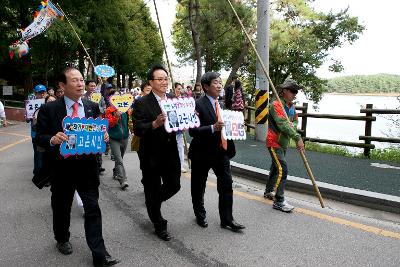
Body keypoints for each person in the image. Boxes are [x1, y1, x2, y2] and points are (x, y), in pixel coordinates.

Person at [35, 67, 120, 267]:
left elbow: (98, 131)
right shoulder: (49, 109)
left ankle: (100, 254)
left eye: (82, 80)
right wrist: (53, 139)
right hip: (61, 170)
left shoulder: (91, 107)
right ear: (62, 86)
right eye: (75, 80)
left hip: (87, 169)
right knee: (61, 207)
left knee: (93, 209)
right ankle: (62, 238)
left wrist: (104, 136)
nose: (81, 84)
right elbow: (39, 138)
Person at [188, 72, 245, 232]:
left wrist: (237, 126)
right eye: (215, 82)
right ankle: (200, 214)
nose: (220, 85)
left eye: (220, 82)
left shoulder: (221, 104)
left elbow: (226, 126)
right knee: (199, 186)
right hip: (202, 153)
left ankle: (227, 219)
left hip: (221, 152)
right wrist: (213, 128)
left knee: (226, 185)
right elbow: (193, 131)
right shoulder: (197, 104)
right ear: (206, 86)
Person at [132, 64, 181, 241]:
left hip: (171, 151)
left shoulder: (173, 99)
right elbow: (138, 128)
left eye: (166, 79)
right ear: (151, 82)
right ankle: (159, 223)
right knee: (152, 186)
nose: (164, 82)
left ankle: (151, 202)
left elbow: (179, 122)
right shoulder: (141, 102)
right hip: (151, 153)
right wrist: (154, 124)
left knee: (175, 185)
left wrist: (189, 116)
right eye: (159, 79)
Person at [263, 79, 305, 213]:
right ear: (285, 91)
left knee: (276, 167)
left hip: (284, 143)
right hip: (274, 142)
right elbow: (283, 124)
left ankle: (269, 191)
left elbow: (294, 123)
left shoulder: (291, 107)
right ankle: (279, 200)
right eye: (293, 91)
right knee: (283, 168)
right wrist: (297, 137)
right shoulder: (276, 105)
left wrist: (292, 128)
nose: (295, 94)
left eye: (296, 91)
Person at [83, 80, 107, 174]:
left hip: (98, 122)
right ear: (86, 86)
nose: (93, 87)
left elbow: (104, 108)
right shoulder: (83, 97)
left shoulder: (100, 96)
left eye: (94, 86)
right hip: (86, 124)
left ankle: (99, 165)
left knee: (98, 143)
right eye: (91, 86)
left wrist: (96, 107)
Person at [105, 105, 130, 190]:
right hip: (114, 139)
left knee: (120, 158)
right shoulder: (109, 110)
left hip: (125, 138)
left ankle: (116, 171)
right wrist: (116, 116)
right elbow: (109, 124)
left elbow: (128, 122)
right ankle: (123, 180)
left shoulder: (126, 108)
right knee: (118, 159)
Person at [28, 84, 47, 177]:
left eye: (43, 92)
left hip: (47, 133)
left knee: (44, 154)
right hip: (35, 133)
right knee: (38, 153)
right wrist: (29, 117)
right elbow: (27, 119)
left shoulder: (49, 102)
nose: (42, 94)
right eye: (39, 93)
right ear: (35, 93)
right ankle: (38, 173)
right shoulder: (30, 104)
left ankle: (40, 172)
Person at [173, 82, 188, 172]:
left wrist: (185, 125)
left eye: (180, 89)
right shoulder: (168, 99)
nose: (179, 91)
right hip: (171, 128)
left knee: (180, 147)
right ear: (173, 89)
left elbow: (186, 113)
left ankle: (181, 165)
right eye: (178, 89)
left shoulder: (183, 100)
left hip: (180, 127)